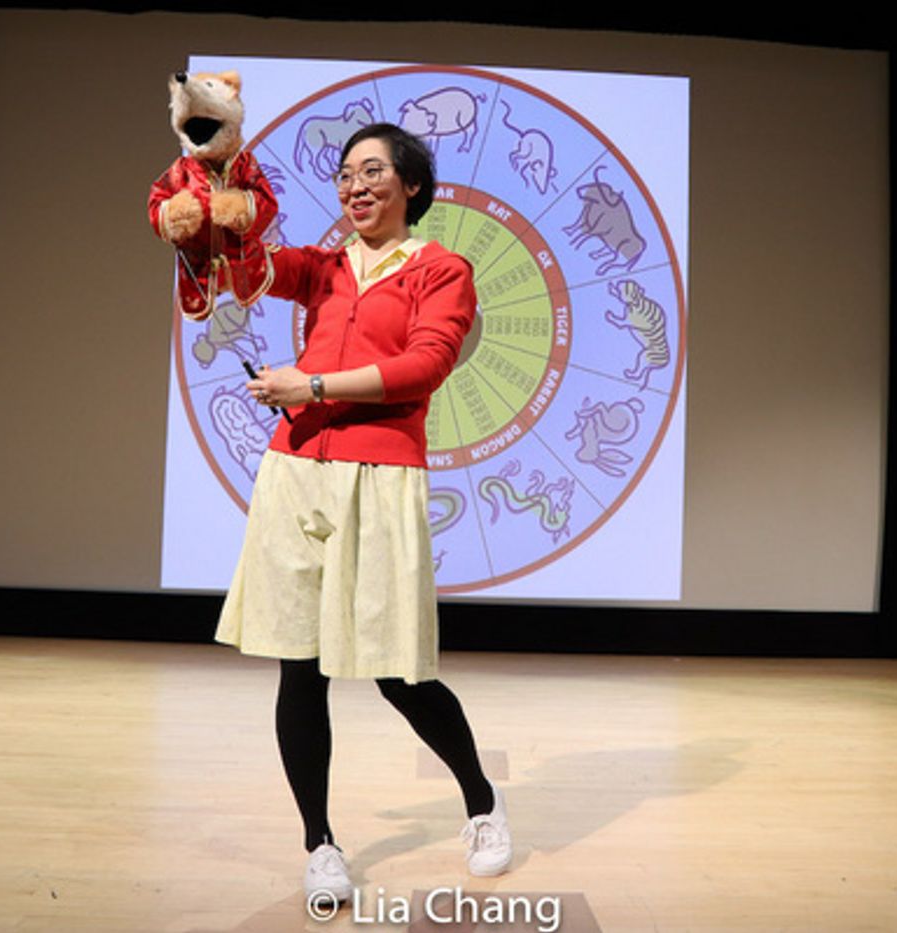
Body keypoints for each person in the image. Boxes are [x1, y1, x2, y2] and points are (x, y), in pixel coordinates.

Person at [212, 123, 512, 903]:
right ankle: (319, 842)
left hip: (379, 474)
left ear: (411, 184)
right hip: (295, 470)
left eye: (372, 171)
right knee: (298, 666)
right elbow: (249, 270)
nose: (355, 185)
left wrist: (311, 387)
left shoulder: (442, 268)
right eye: (345, 174)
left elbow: (426, 364)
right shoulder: (324, 266)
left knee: (396, 671)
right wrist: (220, 205)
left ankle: (481, 802)